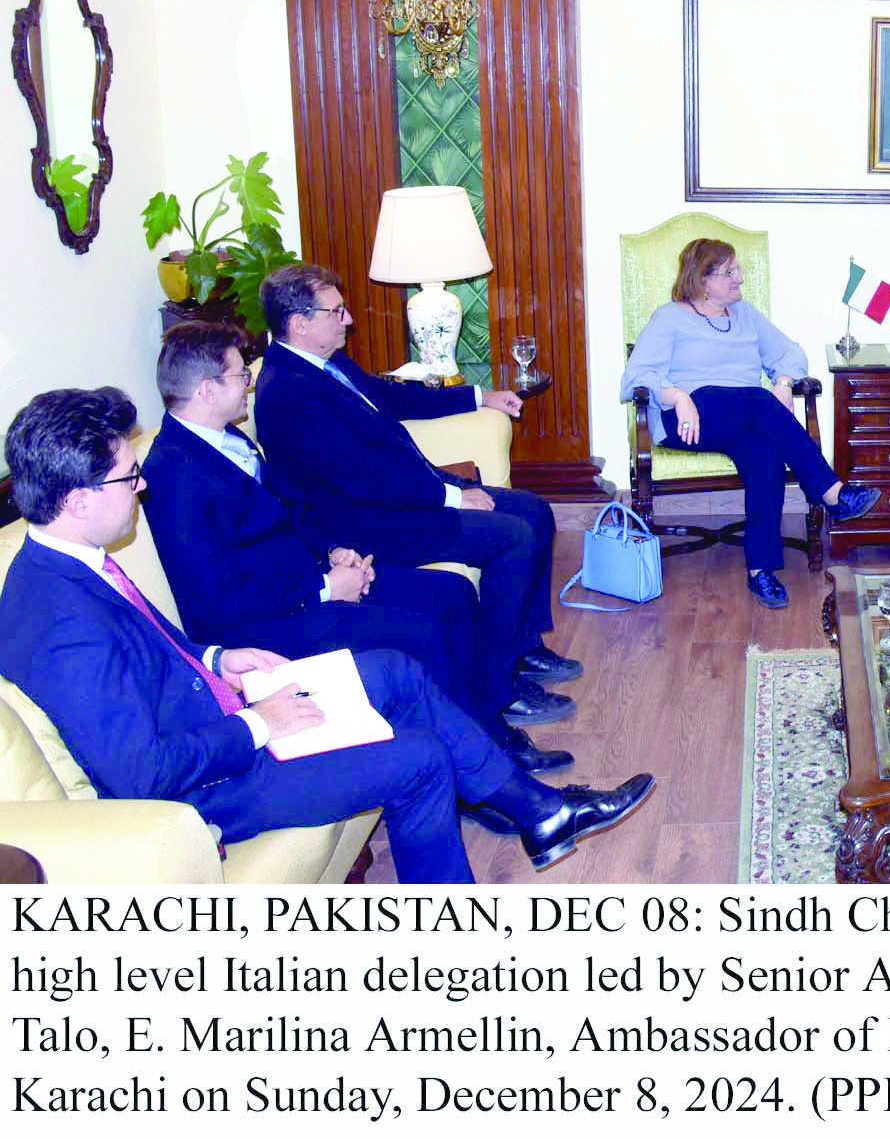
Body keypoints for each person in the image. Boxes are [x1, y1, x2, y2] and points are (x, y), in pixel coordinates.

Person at [0, 388, 653, 880]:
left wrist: (218, 656)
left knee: (395, 671)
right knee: (420, 757)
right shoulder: (61, 622)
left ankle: (540, 812)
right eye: (126, 478)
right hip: (211, 785)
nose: (141, 488)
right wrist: (262, 722)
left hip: (220, 706)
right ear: (79, 498)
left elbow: (146, 657)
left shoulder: (69, 563)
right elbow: (143, 774)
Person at [140, 321, 570, 775]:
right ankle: (477, 772)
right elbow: (215, 597)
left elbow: (286, 513)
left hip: (303, 581)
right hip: (266, 624)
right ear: (207, 389)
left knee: (453, 594)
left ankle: (486, 729)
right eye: (238, 375)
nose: (248, 383)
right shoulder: (173, 473)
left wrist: (333, 552)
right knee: (422, 630)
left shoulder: (226, 438)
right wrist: (324, 587)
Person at [251, 264, 579, 721]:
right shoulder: (287, 393)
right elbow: (359, 476)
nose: (348, 320)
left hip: (400, 497)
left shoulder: (325, 364)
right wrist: (448, 496)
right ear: (300, 323)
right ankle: (501, 689)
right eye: (337, 311)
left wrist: (478, 396)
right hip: (366, 524)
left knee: (534, 511)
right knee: (512, 537)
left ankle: (522, 647)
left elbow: (393, 397)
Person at [617, 239, 881, 610]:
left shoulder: (746, 315)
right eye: (729, 273)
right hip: (689, 418)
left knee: (765, 453)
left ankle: (761, 570)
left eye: (737, 269)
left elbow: (790, 352)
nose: (740, 278)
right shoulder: (669, 317)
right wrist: (678, 396)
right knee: (758, 399)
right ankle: (830, 491)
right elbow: (636, 376)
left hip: (744, 417)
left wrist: (785, 381)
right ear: (702, 280)